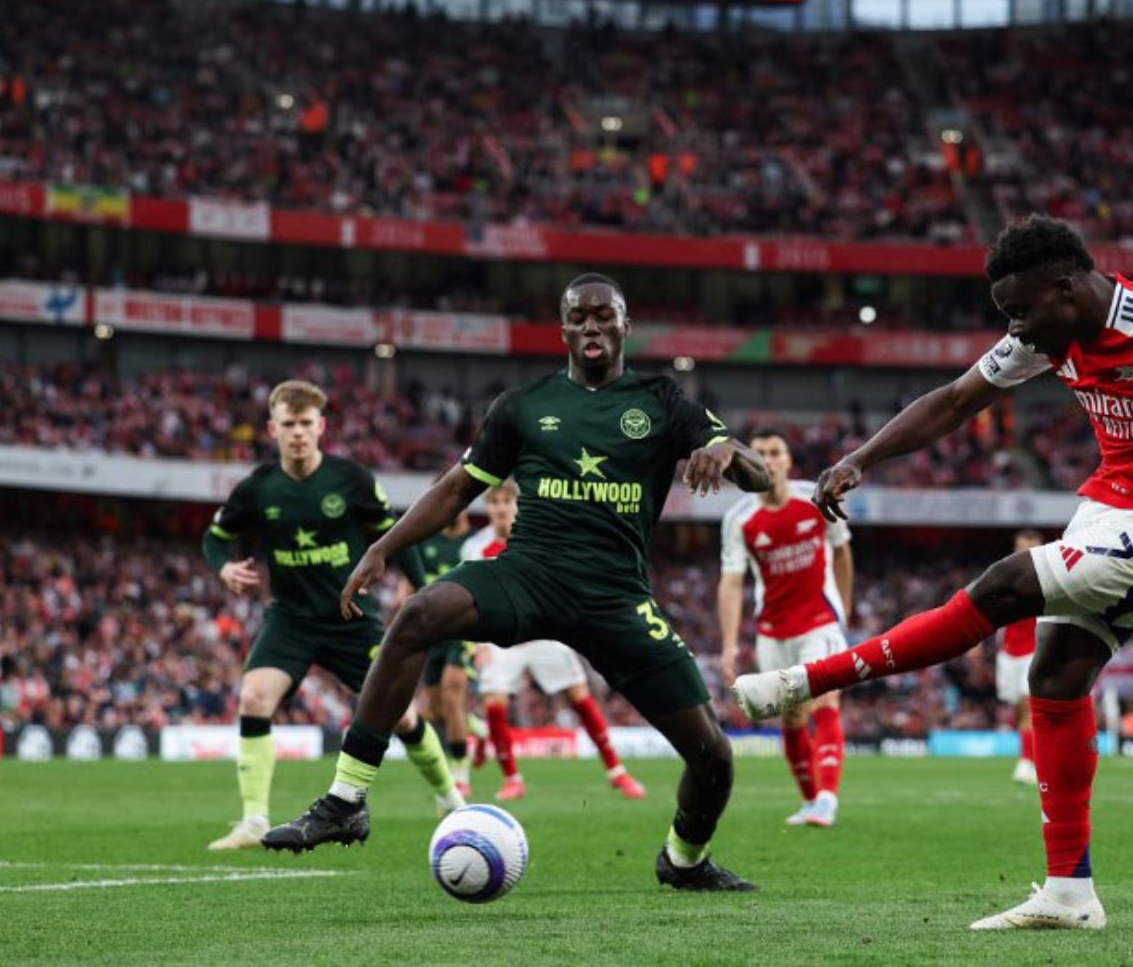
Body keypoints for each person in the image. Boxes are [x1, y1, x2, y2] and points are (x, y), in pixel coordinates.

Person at [734, 216, 1133, 931]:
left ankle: (805, 682)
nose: (1014, 329)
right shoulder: (1043, 334)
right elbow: (957, 399)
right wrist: (861, 458)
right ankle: (1069, 894)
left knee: (1006, 584)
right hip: (1108, 508)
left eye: (1020, 311)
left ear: (1065, 288)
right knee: (1053, 676)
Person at [263, 274, 772, 893]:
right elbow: (456, 488)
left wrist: (728, 451)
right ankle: (346, 800)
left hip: (614, 595)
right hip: (528, 572)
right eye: (578, 317)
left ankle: (684, 861)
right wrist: (382, 547)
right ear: (563, 330)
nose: (591, 326)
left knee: (713, 755)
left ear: (625, 327)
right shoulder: (523, 406)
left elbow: (761, 475)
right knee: (417, 615)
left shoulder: (661, 400)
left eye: (603, 316)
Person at [203, 379, 461, 851]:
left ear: (321, 426)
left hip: (351, 618)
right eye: (288, 424)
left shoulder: (351, 479)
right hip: (290, 620)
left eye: (305, 423)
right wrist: (223, 567)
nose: (298, 432)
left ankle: (450, 800)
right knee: (254, 698)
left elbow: (395, 534)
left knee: (403, 718)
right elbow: (215, 537)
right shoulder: (258, 488)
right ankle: (254, 820)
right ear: (272, 429)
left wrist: (425, 593)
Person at [472, 483, 648, 802]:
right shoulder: (475, 548)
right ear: (487, 508)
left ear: (517, 504)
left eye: (506, 501)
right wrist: (479, 646)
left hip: (544, 632)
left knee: (579, 697)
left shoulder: (538, 535)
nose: (501, 508)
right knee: (493, 703)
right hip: (503, 638)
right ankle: (512, 779)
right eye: (494, 502)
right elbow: (475, 599)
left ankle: (617, 772)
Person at [718, 429, 855, 827]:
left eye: (775, 452)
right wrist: (729, 644)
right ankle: (810, 800)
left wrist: (843, 611)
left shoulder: (815, 499)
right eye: (759, 453)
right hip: (773, 632)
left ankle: (827, 797)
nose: (768, 459)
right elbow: (731, 581)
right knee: (792, 719)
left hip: (819, 623)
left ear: (788, 460)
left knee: (825, 703)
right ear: (749, 462)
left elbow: (842, 550)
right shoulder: (739, 519)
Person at [412, 508, 478, 797]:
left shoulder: (473, 543)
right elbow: (411, 584)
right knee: (438, 710)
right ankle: (474, 725)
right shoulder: (426, 544)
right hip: (432, 632)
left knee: (452, 693)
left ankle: (461, 775)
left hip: (465, 629)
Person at [992, 530, 1047, 786]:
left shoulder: (1047, 579)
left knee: (1028, 707)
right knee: (1017, 709)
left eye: (1031, 548)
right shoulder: (1003, 577)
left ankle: (1027, 763)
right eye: (1021, 548)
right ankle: (1029, 755)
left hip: (1032, 652)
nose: (1025, 553)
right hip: (1008, 654)